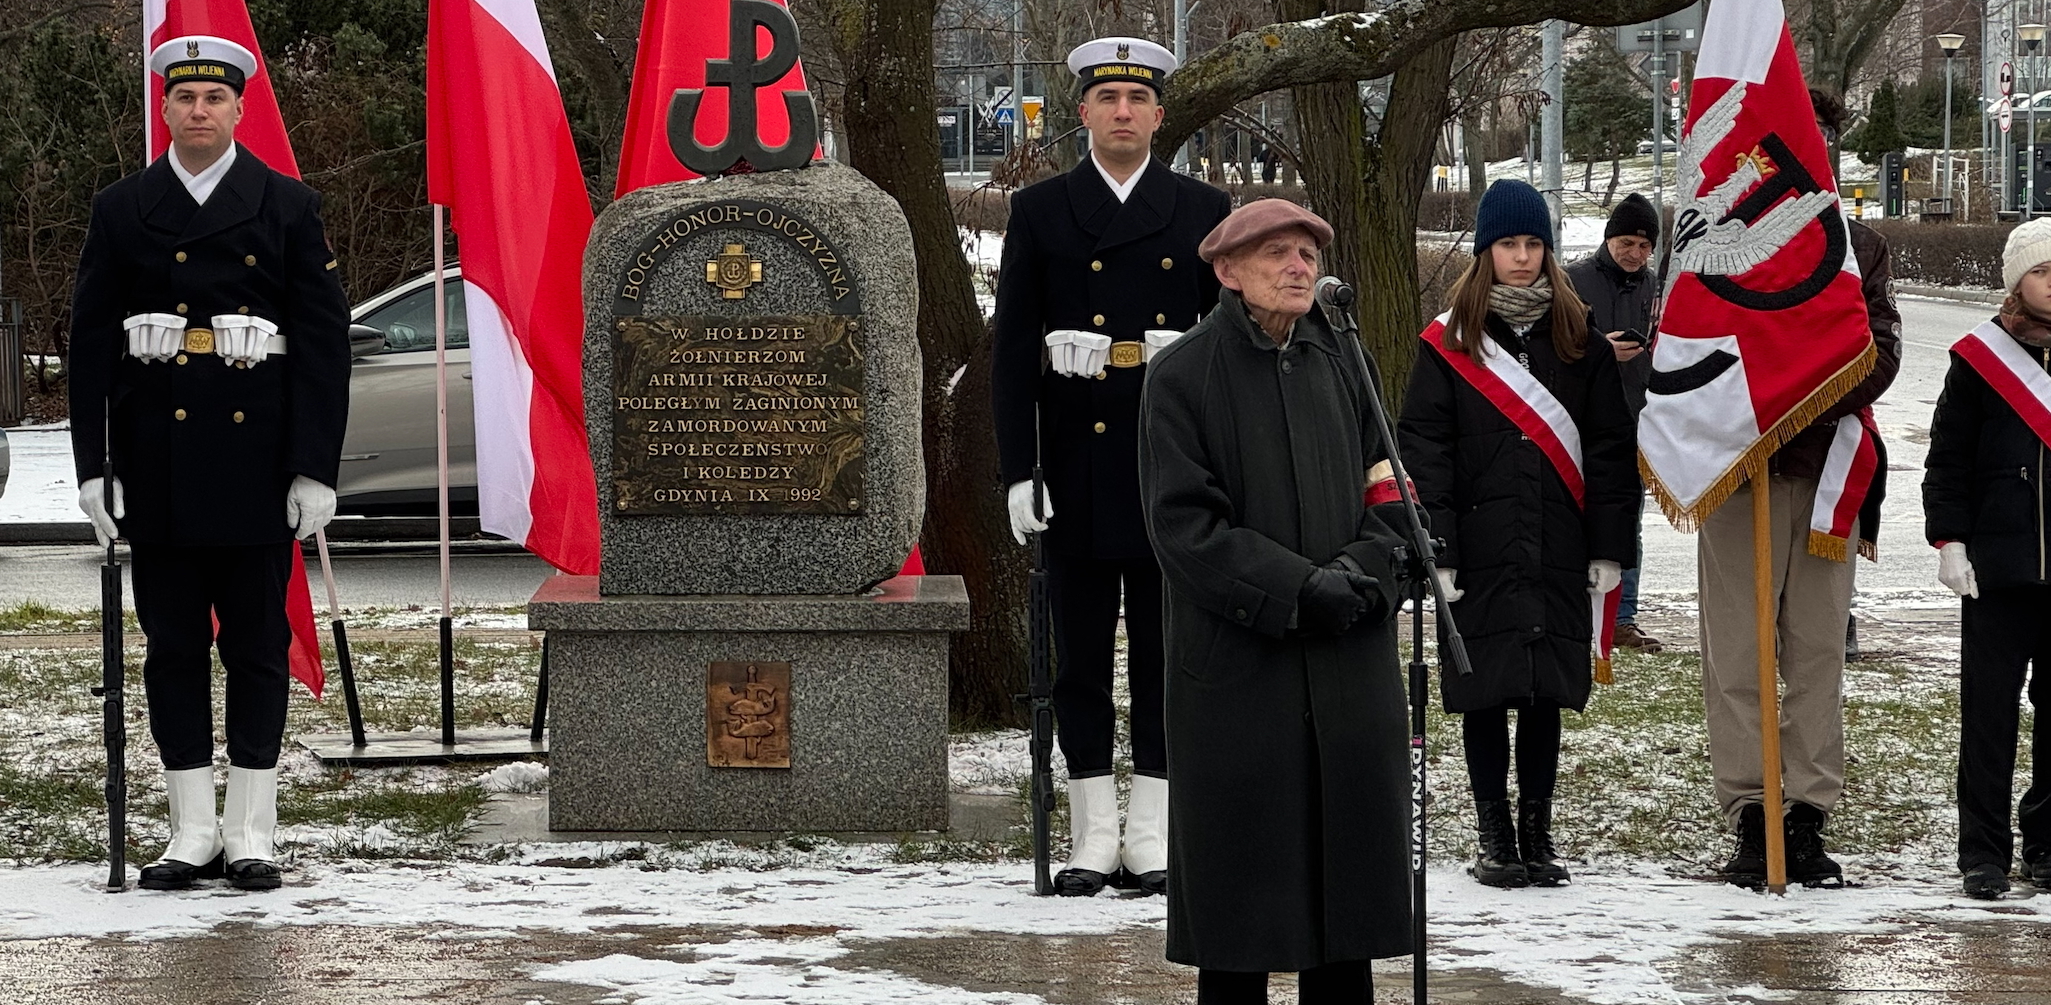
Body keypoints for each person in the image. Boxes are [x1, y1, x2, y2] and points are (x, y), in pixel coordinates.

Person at [69, 36, 351, 891]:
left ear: (238, 109)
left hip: (256, 465)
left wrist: (314, 468)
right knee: (173, 648)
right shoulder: (123, 207)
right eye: (184, 97)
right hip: (157, 464)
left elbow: (320, 345)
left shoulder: (285, 205)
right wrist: (95, 465)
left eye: (214, 99)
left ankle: (252, 828)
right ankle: (191, 828)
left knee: (258, 648)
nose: (199, 110)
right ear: (164, 107)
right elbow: (89, 347)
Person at [1140, 197, 1407, 1003]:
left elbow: (1388, 487)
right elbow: (1184, 528)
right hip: (1238, 676)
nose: (1299, 267)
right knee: (1240, 919)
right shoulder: (1180, 375)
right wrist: (1297, 588)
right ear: (1227, 271)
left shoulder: (1344, 361)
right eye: (1278, 254)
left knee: (1345, 918)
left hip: (1348, 662)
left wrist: (1366, 571)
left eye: (1307, 253)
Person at [991, 35, 1233, 897]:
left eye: (1138, 100)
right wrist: (1018, 469)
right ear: (1083, 112)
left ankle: (1153, 834)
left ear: (1160, 114)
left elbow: (1237, 349)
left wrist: (1194, 350)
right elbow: (1012, 350)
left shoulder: (1204, 207)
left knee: (1170, 658)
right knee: (1080, 660)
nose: (1123, 113)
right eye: (1107, 100)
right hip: (1078, 465)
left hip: (1171, 467)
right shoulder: (1041, 211)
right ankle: (1093, 835)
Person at [1398, 179, 1638, 889]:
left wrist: (1608, 547)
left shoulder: (1579, 342)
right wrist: (1435, 547)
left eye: (1534, 244)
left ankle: (1535, 827)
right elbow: (1426, 449)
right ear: (1485, 251)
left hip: (1559, 543)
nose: (1523, 257)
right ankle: (1492, 831)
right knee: (1484, 688)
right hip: (1479, 544)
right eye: (1508, 244)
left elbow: (1608, 451)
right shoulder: (1449, 344)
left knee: (1542, 692)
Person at [1693, 94, 1903, 892]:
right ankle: (1751, 812)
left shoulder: (1860, 245)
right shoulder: (1719, 236)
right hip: (1737, 472)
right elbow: (1690, 348)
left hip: (1824, 472)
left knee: (1815, 652)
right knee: (1737, 654)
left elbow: (1878, 351)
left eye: (1820, 137)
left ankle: (1806, 815)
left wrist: (1794, 395)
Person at [1923, 218, 2051, 900]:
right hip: (1997, 572)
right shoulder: (1979, 359)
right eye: (2040, 272)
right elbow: (1946, 461)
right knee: (1988, 716)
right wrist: (1948, 539)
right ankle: (1983, 852)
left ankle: (2047, 840)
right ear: (2014, 282)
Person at [1564, 193, 1661, 653]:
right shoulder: (1573, 280)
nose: (1635, 254)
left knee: (1627, 519)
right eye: (1627, 242)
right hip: (1577, 417)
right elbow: (1552, 345)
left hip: (1636, 418)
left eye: (1644, 247)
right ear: (1609, 239)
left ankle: (1623, 617)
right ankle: (1570, 609)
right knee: (1571, 514)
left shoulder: (1657, 289)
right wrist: (1598, 348)